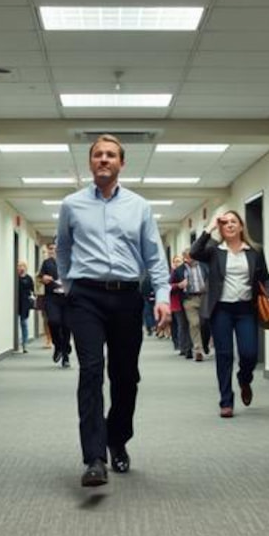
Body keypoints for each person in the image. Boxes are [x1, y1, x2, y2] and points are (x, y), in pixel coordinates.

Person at [56, 134, 170, 487]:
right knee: (91, 370)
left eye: (110, 155)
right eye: (97, 155)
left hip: (126, 298)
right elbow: (63, 250)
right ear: (90, 163)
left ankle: (117, 438)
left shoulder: (139, 206)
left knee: (125, 376)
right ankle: (93, 458)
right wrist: (71, 286)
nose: (104, 159)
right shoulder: (72, 205)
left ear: (122, 163)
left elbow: (154, 256)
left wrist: (163, 295)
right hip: (86, 296)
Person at [191, 211, 269, 417]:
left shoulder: (254, 251)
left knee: (249, 354)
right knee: (224, 355)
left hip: (246, 310)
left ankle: (244, 379)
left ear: (241, 226)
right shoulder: (214, 251)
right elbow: (194, 252)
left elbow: (265, 278)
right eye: (224, 223)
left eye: (233, 222)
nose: (229, 225)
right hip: (221, 310)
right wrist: (209, 228)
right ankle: (226, 402)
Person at [39, 242, 72, 368]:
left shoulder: (70, 261)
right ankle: (58, 345)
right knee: (53, 321)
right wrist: (44, 278)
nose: (54, 250)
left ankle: (66, 357)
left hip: (67, 298)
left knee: (66, 326)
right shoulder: (47, 263)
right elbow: (40, 277)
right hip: (52, 297)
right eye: (52, 249)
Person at [181, 249, 210, 361]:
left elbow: (211, 278)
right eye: (187, 257)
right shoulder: (180, 270)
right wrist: (179, 285)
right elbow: (170, 284)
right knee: (194, 323)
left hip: (204, 298)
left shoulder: (204, 266)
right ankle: (198, 350)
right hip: (189, 299)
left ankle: (205, 346)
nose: (190, 259)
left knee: (205, 323)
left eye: (192, 256)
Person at [16, 261, 35, 353]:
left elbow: (33, 291)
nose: (21, 267)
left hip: (25, 303)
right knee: (14, 324)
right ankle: (16, 343)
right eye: (19, 266)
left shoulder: (29, 278)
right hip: (15, 302)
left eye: (23, 266)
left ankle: (24, 344)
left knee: (24, 323)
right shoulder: (14, 277)